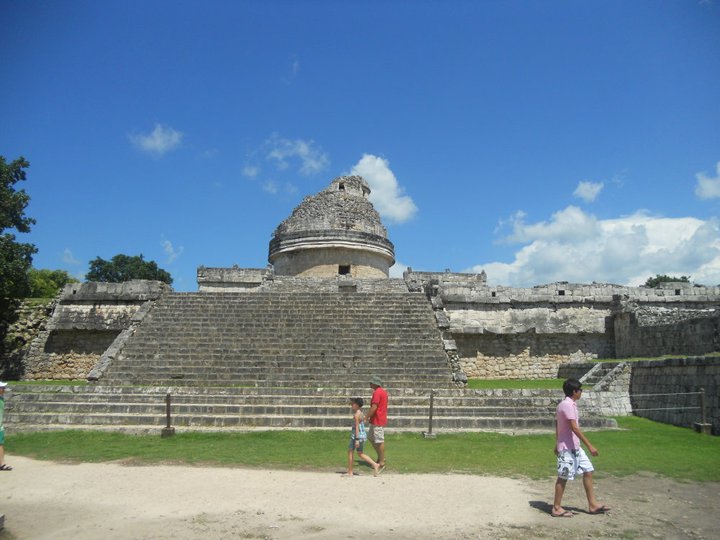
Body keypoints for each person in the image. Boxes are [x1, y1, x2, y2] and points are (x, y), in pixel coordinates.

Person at [552, 378, 609, 517]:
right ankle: (556, 508)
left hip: (575, 447)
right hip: (568, 448)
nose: (581, 392)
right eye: (580, 390)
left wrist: (557, 442)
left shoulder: (567, 405)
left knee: (588, 470)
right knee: (563, 476)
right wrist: (590, 446)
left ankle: (593, 505)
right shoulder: (567, 405)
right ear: (574, 391)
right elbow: (574, 428)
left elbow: (558, 425)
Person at [344, 397, 381, 477]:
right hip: (361, 436)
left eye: (353, 403)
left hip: (356, 436)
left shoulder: (357, 415)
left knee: (350, 451)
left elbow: (357, 427)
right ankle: (375, 464)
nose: (351, 405)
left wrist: (357, 439)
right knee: (360, 453)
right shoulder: (360, 413)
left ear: (357, 405)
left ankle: (350, 472)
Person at [366, 375, 388, 471]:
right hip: (376, 419)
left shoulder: (377, 393)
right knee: (371, 438)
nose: (370, 384)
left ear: (375, 384)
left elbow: (374, 407)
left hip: (378, 419)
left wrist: (367, 416)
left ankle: (382, 461)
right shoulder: (382, 392)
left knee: (379, 440)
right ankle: (380, 457)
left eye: (371, 383)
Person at [0, 381, 11, 471]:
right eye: (2, 388)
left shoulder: (1, 399)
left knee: (1, 445)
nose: (4, 389)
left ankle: (2, 464)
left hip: (0, 426)